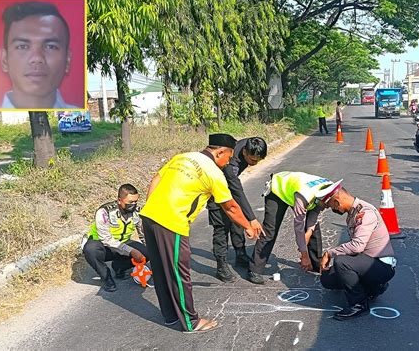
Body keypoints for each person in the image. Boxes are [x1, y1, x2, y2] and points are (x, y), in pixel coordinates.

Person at [140, 134, 260, 333]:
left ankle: (170, 316)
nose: (227, 163)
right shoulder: (214, 173)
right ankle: (191, 322)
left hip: (149, 216)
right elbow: (230, 207)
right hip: (171, 222)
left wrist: (151, 207)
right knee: (180, 274)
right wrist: (248, 226)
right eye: (228, 158)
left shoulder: (183, 157)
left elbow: (156, 179)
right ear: (220, 152)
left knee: (161, 271)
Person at [247, 171, 341, 285]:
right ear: (322, 200)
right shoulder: (305, 197)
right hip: (278, 190)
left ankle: (316, 265)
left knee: (314, 228)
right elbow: (299, 228)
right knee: (270, 230)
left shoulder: (328, 190)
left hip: (300, 191)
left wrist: (309, 231)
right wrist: (304, 255)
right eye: (326, 205)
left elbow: (314, 215)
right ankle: (255, 269)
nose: (326, 208)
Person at [320, 186, 396, 321]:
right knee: (327, 279)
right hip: (367, 263)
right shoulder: (352, 213)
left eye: (331, 206)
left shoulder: (365, 213)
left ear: (337, 202)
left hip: (381, 265)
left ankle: (359, 305)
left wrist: (329, 253)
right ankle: (373, 288)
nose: (333, 209)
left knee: (341, 262)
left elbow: (356, 247)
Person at [207, 137, 267, 282]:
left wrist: (245, 217)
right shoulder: (230, 162)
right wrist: (252, 219)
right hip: (213, 189)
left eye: (258, 161)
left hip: (226, 185)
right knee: (222, 226)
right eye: (252, 160)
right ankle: (221, 266)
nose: (254, 163)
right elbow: (236, 189)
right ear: (244, 152)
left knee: (237, 219)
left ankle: (240, 254)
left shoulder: (251, 145)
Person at [0, 1, 77, 109]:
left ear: (67, 60)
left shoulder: (77, 113)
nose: (37, 58)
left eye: (50, 46)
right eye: (23, 46)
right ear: (4, 60)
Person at [82, 184, 148, 292]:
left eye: (136, 201)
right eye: (130, 202)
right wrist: (131, 251)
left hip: (122, 244)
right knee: (90, 249)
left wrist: (153, 254)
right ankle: (106, 277)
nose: (134, 205)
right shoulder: (104, 212)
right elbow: (106, 239)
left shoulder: (137, 212)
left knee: (147, 252)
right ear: (119, 200)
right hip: (103, 246)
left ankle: (119, 268)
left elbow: (143, 235)